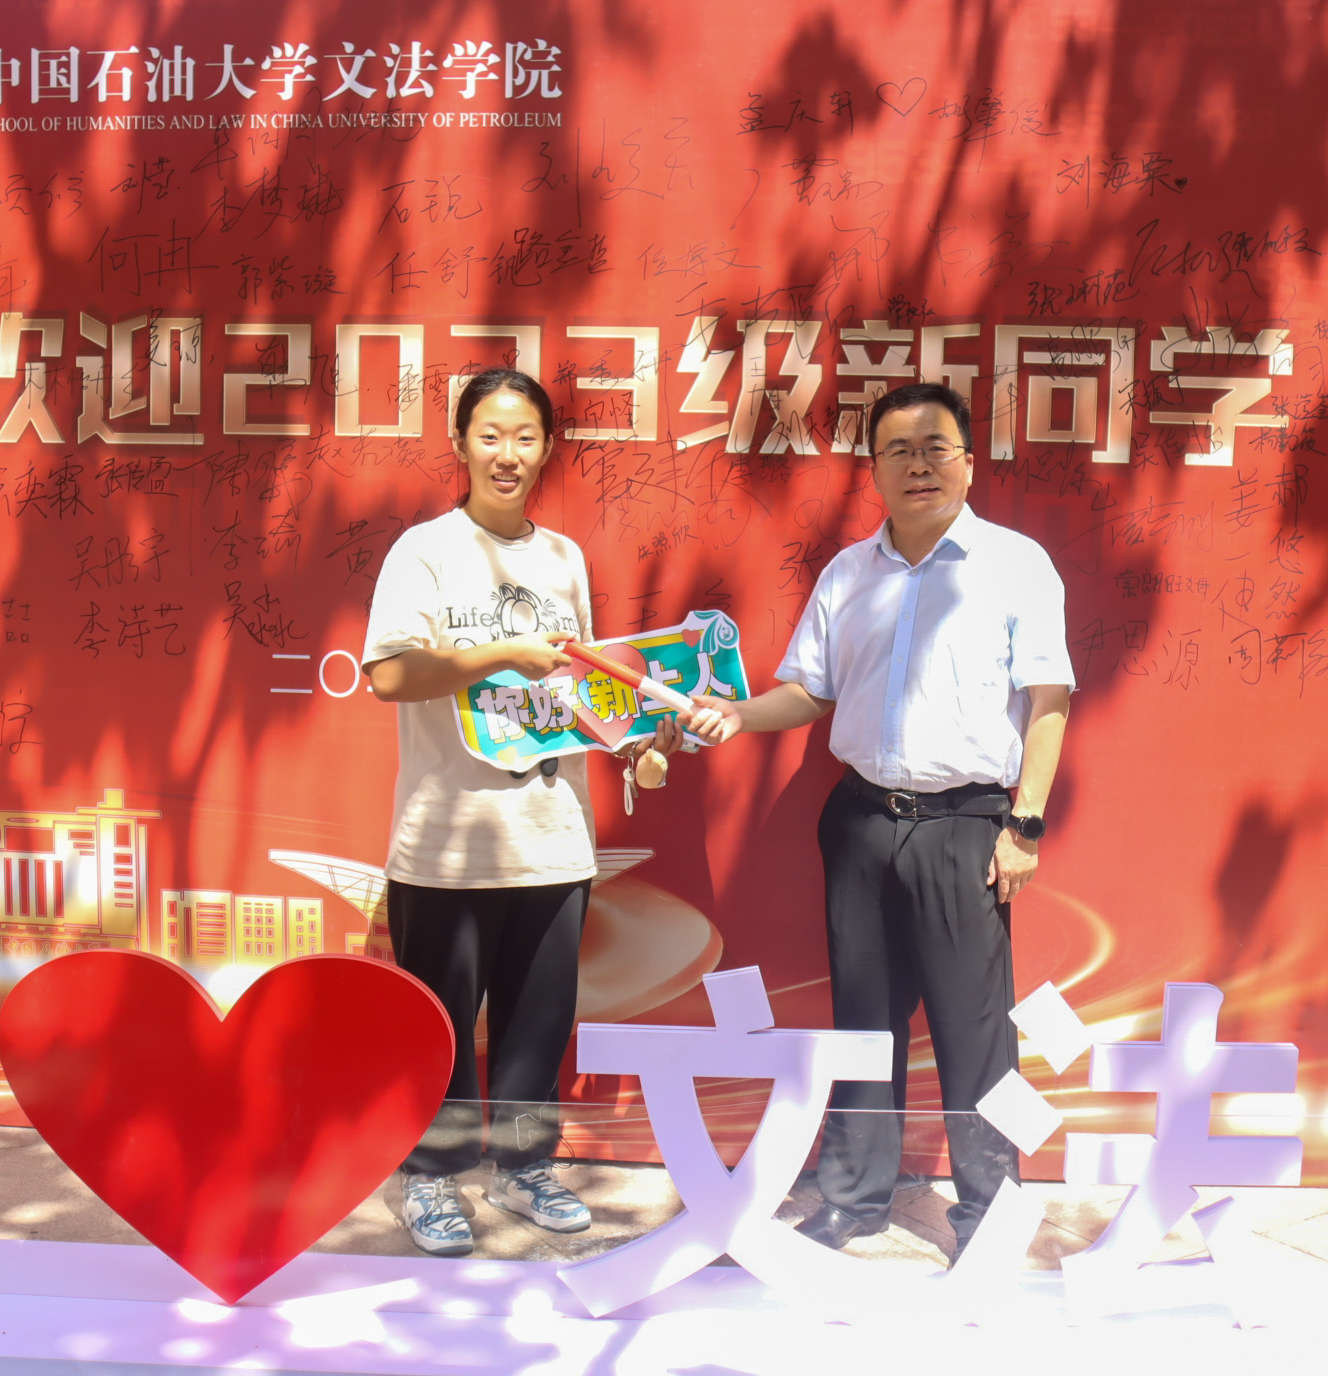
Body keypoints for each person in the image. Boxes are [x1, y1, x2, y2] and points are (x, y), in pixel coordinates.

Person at [684, 381, 1072, 1261]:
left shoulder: (1017, 566)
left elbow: (1049, 700)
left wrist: (1025, 826)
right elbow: (808, 693)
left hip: (967, 826)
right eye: (898, 450)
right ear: (874, 470)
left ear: (968, 462)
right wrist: (737, 715)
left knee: (978, 1031)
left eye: (936, 448)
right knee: (863, 1021)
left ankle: (990, 1213)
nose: (918, 465)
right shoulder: (848, 574)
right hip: (861, 821)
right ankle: (854, 1197)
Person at [361, 367, 679, 1258]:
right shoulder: (424, 551)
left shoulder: (563, 560)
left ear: (546, 449)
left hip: (552, 836)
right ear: (461, 444)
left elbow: (580, 689)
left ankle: (522, 1166)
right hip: (446, 844)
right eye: (490, 435)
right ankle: (431, 1177)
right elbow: (389, 674)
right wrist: (498, 653)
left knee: (538, 1023)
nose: (508, 454)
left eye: (526, 437)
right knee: (441, 1029)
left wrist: (634, 741)